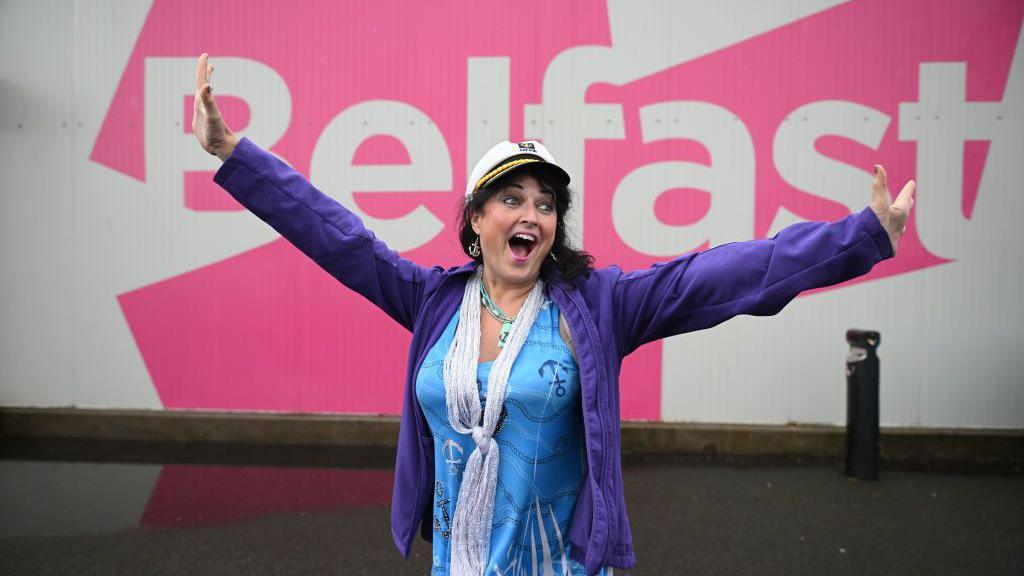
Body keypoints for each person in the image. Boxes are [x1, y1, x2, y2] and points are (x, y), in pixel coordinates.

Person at [192, 54, 915, 575]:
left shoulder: (598, 306)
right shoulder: (431, 300)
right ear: (476, 221)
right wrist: (233, 153)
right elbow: (334, 234)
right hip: (463, 562)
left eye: (545, 203)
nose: (532, 213)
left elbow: (721, 274)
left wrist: (861, 236)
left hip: (561, 565)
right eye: (512, 199)